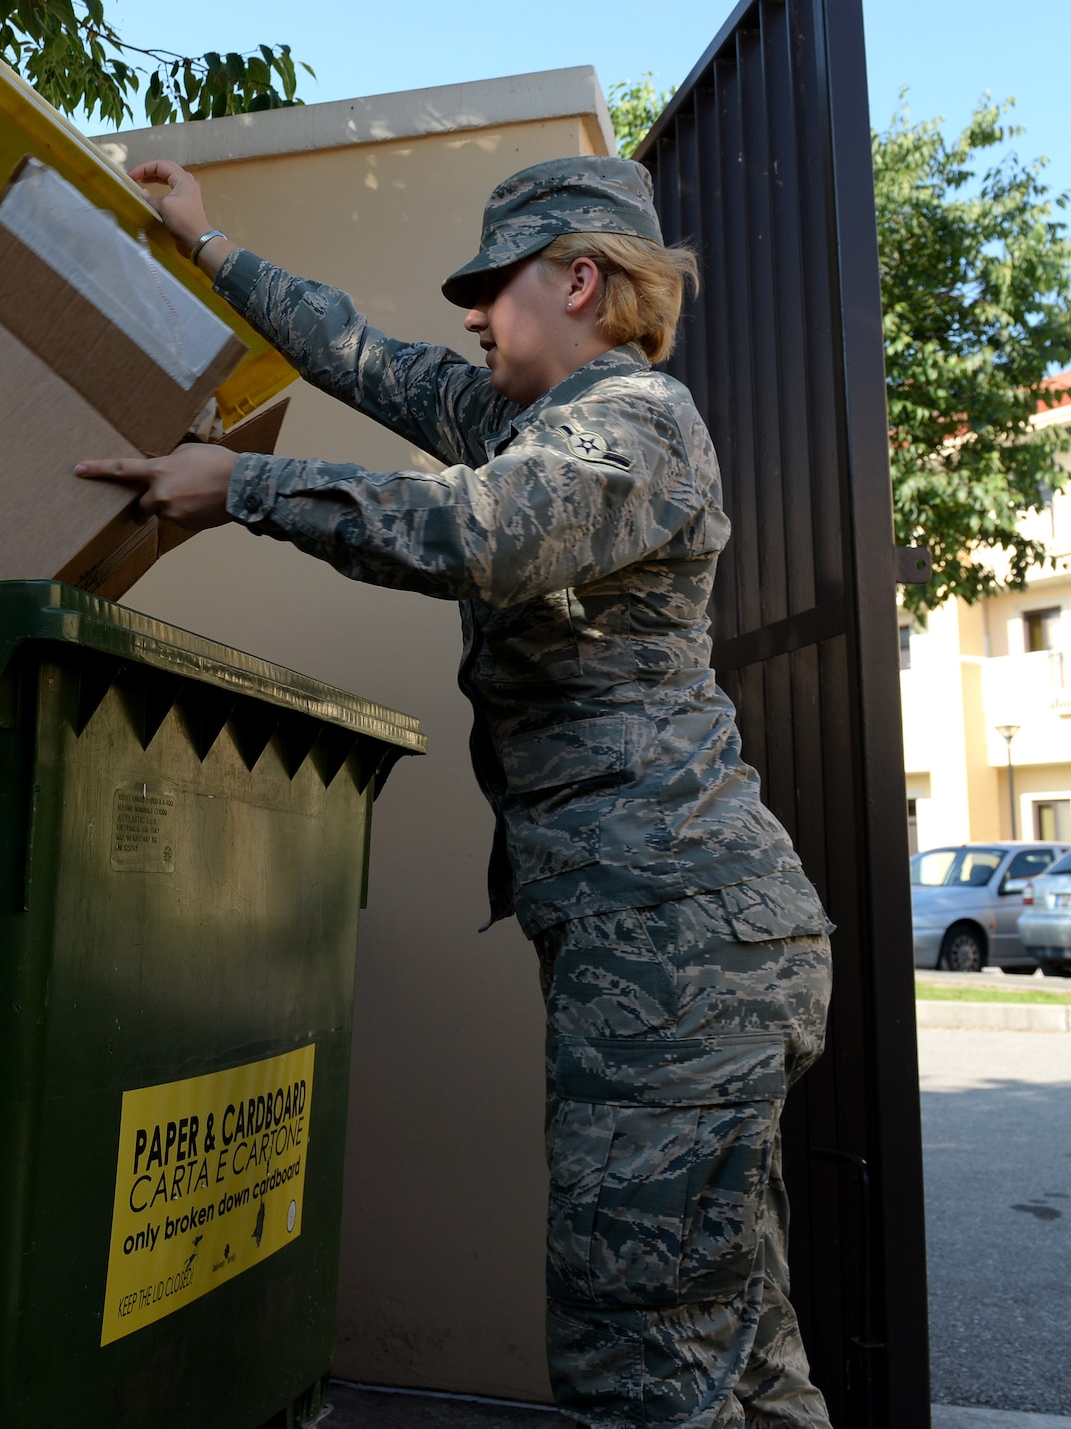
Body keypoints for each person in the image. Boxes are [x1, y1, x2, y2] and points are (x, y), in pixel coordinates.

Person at [78, 156, 836, 1428]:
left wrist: (243, 489)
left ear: (580, 280)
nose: (472, 317)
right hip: (675, 948)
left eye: (493, 288)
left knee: (638, 1357)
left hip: (680, 954)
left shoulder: (637, 424)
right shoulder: (527, 419)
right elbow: (357, 356)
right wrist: (208, 246)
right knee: (735, 1348)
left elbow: (479, 536)